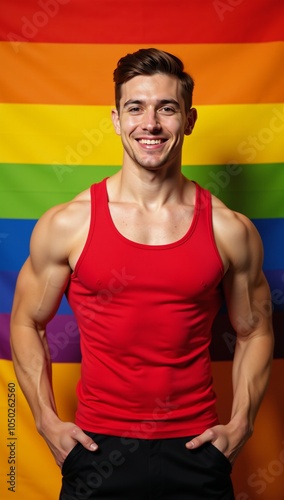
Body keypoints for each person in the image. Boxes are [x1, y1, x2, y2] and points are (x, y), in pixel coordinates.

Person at [10, 48, 274, 500]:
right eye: (135, 107)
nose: (149, 124)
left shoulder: (228, 229)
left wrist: (242, 424)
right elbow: (25, 321)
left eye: (166, 108)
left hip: (197, 452)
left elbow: (255, 330)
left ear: (188, 120)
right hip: (94, 450)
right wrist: (45, 420)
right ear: (116, 119)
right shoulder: (69, 223)